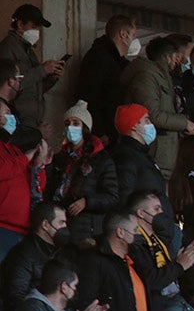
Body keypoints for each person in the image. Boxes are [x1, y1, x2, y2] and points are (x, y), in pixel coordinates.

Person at [121, 36, 194, 177]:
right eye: (176, 56)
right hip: (155, 154)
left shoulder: (161, 77)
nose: (179, 61)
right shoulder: (146, 77)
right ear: (167, 57)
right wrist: (184, 123)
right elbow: (152, 114)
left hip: (163, 155)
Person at [46, 101, 118, 247]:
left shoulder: (101, 159)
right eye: (67, 123)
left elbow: (112, 197)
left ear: (85, 128)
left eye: (75, 123)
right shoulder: (60, 157)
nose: (70, 127)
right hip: (58, 227)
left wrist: (87, 201)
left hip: (85, 230)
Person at [1, 203, 67, 311]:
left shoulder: (59, 254)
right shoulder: (22, 254)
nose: (65, 228)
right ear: (45, 225)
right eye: (61, 223)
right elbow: (16, 298)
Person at [112, 104, 176, 234]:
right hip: (147, 234)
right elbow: (124, 196)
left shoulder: (142, 155)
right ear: (135, 125)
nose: (151, 124)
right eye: (147, 120)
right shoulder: (126, 157)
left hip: (159, 229)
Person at [0, 4, 63, 128]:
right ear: (20, 25)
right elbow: (9, 84)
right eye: (34, 27)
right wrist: (42, 70)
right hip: (16, 118)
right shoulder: (8, 47)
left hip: (33, 120)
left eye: (38, 28)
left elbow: (34, 88)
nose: (37, 32)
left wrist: (52, 77)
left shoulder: (28, 51)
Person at [0, 105, 50, 260]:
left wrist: (38, 164)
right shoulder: (19, 156)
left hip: (22, 231)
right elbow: (4, 170)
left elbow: (38, 185)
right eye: (7, 114)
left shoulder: (14, 150)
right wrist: (27, 157)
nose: (11, 118)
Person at [78, 13, 138, 142]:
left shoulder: (119, 62)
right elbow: (90, 96)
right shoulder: (99, 57)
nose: (135, 39)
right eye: (133, 35)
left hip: (115, 130)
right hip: (104, 133)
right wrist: (100, 132)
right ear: (123, 34)